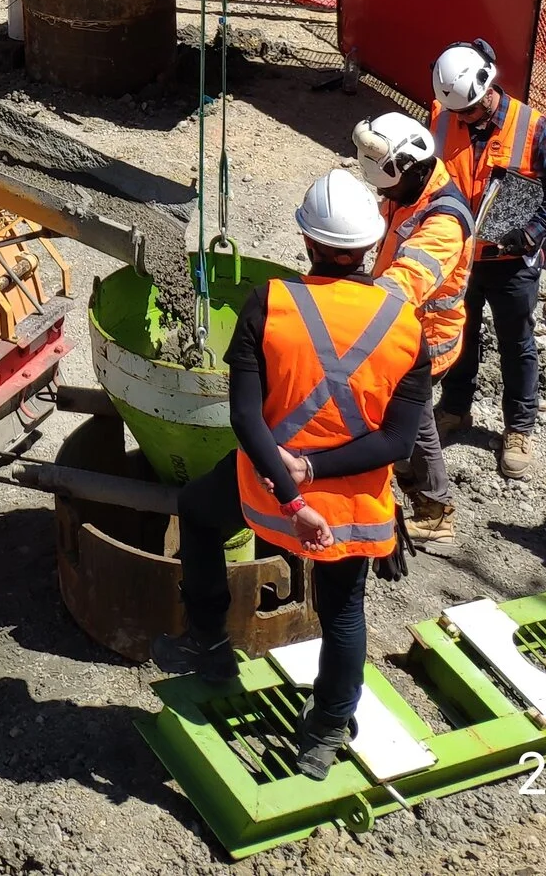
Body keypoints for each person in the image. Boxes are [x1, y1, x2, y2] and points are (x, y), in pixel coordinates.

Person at [167, 169, 428, 780]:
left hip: (265, 484)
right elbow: (396, 441)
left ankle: (209, 646)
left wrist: (291, 490)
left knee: (199, 513)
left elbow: (243, 415)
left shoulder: (272, 301)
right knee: (342, 613)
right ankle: (329, 729)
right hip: (349, 508)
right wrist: (316, 473)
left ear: (307, 242)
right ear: (370, 246)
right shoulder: (407, 327)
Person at [427, 40, 546, 483]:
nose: (464, 119)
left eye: (471, 111)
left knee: (516, 343)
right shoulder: (443, 116)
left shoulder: (532, 126)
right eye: (458, 113)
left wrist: (532, 231)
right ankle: (456, 408)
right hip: (459, 256)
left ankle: (518, 429)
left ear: (488, 87)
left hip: (512, 260)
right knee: (460, 333)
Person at [352, 114, 470, 540]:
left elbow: (404, 283)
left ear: (415, 168)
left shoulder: (443, 224)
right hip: (400, 328)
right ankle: (413, 490)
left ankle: (436, 509)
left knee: (414, 424)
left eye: (387, 185)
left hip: (425, 339)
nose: (382, 193)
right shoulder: (408, 188)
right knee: (405, 418)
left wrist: (345, 304)